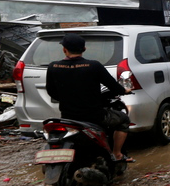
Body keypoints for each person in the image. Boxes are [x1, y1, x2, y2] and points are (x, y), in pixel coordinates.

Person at [45, 33, 133, 162]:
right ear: (84, 49)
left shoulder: (53, 67)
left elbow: (51, 92)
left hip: (68, 118)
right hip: (95, 117)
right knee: (124, 119)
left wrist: (68, 99)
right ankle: (117, 154)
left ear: (64, 49)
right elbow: (114, 87)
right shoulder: (94, 66)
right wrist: (124, 90)